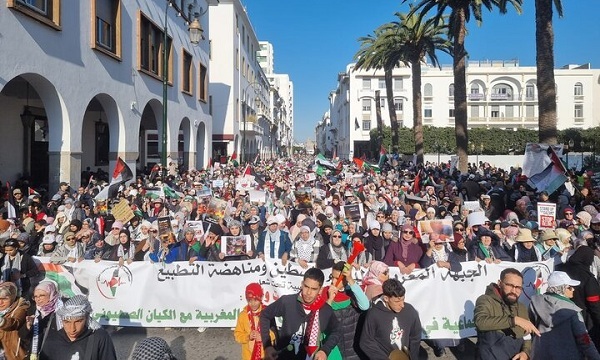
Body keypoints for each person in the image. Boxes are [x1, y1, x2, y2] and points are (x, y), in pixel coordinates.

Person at [259, 267, 340, 360]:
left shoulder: (325, 310)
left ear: (320, 290)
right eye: (306, 286)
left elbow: (337, 331)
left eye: (314, 289)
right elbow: (265, 315)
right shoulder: (287, 302)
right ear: (302, 284)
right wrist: (267, 345)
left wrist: (325, 350)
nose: (308, 292)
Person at [528, 271, 600, 360]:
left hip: (540, 355)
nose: (573, 289)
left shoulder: (534, 303)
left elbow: (531, 329)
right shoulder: (572, 310)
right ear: (561, 288)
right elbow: (584, 340)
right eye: (570, 287)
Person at [474, 268, 540, 360]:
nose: (514, 291)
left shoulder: (521, 307)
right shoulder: (486, 300)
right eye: (509, 285)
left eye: (518, 287)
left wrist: (525, 353)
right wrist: (514, 320)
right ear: (499, 283)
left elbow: (527, 336)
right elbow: (480, 322)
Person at [359, 278, 422, 360]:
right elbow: (366, 342)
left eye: (403, 299)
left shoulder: (409, 310)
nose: (402, 305)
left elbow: (415, 336)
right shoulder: (374, 314)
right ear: (386, 298)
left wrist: (413, 357)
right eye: (397, 301)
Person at [39, 295, 117, 360]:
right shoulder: (52, 340)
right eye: (67, 322)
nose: (72, 329)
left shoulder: (99, 337)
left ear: (86, 318)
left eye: (78, 321)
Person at [325, 261, 370, 359]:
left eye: (337, 278)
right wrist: (329, 299)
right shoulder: (325, 292)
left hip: (352, 348)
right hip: (333, 348)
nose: (333, 281)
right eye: (332, 277)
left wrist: (350, 280)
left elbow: (365, 306)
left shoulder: (353, 292)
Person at [234, 283, 275, 360]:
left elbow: (275, 333)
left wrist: (264, 337)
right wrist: (248, 337)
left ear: (261, 297)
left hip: (265, 355)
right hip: (248, 356)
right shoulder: (243, 315)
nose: (253, 304)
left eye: (255, 300)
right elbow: (237, 335)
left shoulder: (267, 313)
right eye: (249, 300)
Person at [26, 281, 62, 360]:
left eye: (42, 295)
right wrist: (30, 326)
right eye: (35, 296)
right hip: (39, 354)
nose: (38, 299)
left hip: (56, 353)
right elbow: (26, 337)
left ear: (51, 294)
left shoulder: (62, 311)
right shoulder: (34, 311)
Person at [0, 282, 29, 360]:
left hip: (12, 352)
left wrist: (2, 322)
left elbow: (16, 322)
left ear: (12, 297)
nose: (0, 302)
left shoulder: (21, 307)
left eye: (5, 299)